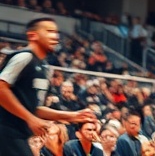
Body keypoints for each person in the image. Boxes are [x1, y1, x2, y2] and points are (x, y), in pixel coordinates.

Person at [0, 18, 96, 156]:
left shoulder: (44, 68)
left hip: (18, 134)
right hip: (5, 131)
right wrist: (31, 119)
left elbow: (35, 109)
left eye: (56, 32)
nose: (55, 36)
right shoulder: (24, 57)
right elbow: (1, 88)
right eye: (49, 31)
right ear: (33, 35)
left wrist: (72, 116)